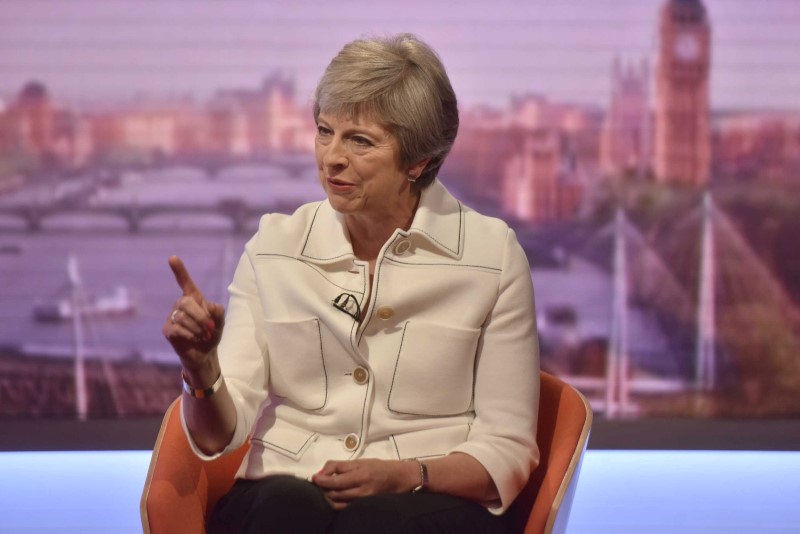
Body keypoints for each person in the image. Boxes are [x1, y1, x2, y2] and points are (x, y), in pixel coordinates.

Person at [163, 33, 540, 534]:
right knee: (284, 512)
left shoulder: (491, 257)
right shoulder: (274, 246)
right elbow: (218, 440)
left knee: (377, 523)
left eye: (359, 140)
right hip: (287, 487)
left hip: (431, 495)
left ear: (418, 160)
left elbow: (506, 450)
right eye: (324, 131)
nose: (331, 157)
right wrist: (200, 367)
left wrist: (405, 474)